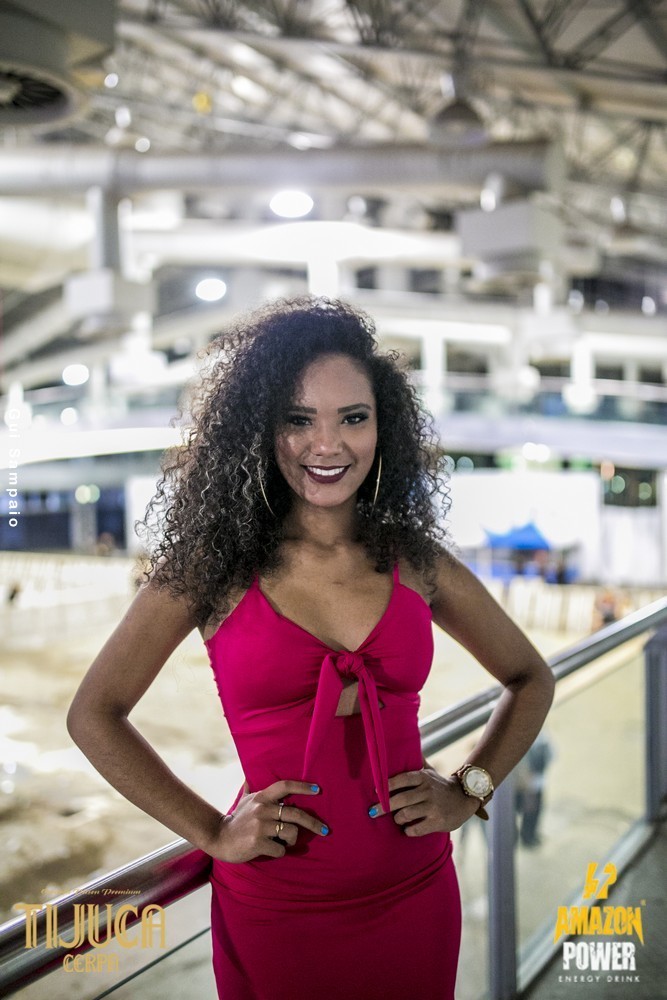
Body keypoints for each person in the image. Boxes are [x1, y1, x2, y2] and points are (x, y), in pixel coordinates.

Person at [67, 297, 555, 1000]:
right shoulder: (213, 569)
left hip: (417, 889)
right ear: (260, 428)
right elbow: (94, 714)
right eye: (298, 419)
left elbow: (530, 677)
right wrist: (211, 831)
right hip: (278, 907)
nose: (327, 445)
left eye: (352, 418)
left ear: (382, 426)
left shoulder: (416, 560)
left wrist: (467, 787)